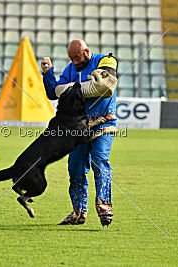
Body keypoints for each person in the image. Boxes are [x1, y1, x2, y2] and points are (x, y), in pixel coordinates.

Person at [41, 39, 118, 226]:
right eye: (71, 58)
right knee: (75, 168)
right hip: (77, 129)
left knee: (99, 161)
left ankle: (104, 206)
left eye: (77, 57)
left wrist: (71, 90)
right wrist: (48, 73)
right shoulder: (70, 69)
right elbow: (54, 93)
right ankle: (79, 212)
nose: (74, 62)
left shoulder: (106, 60)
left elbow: (105, 87)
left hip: (103, 123)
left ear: (87, 51)